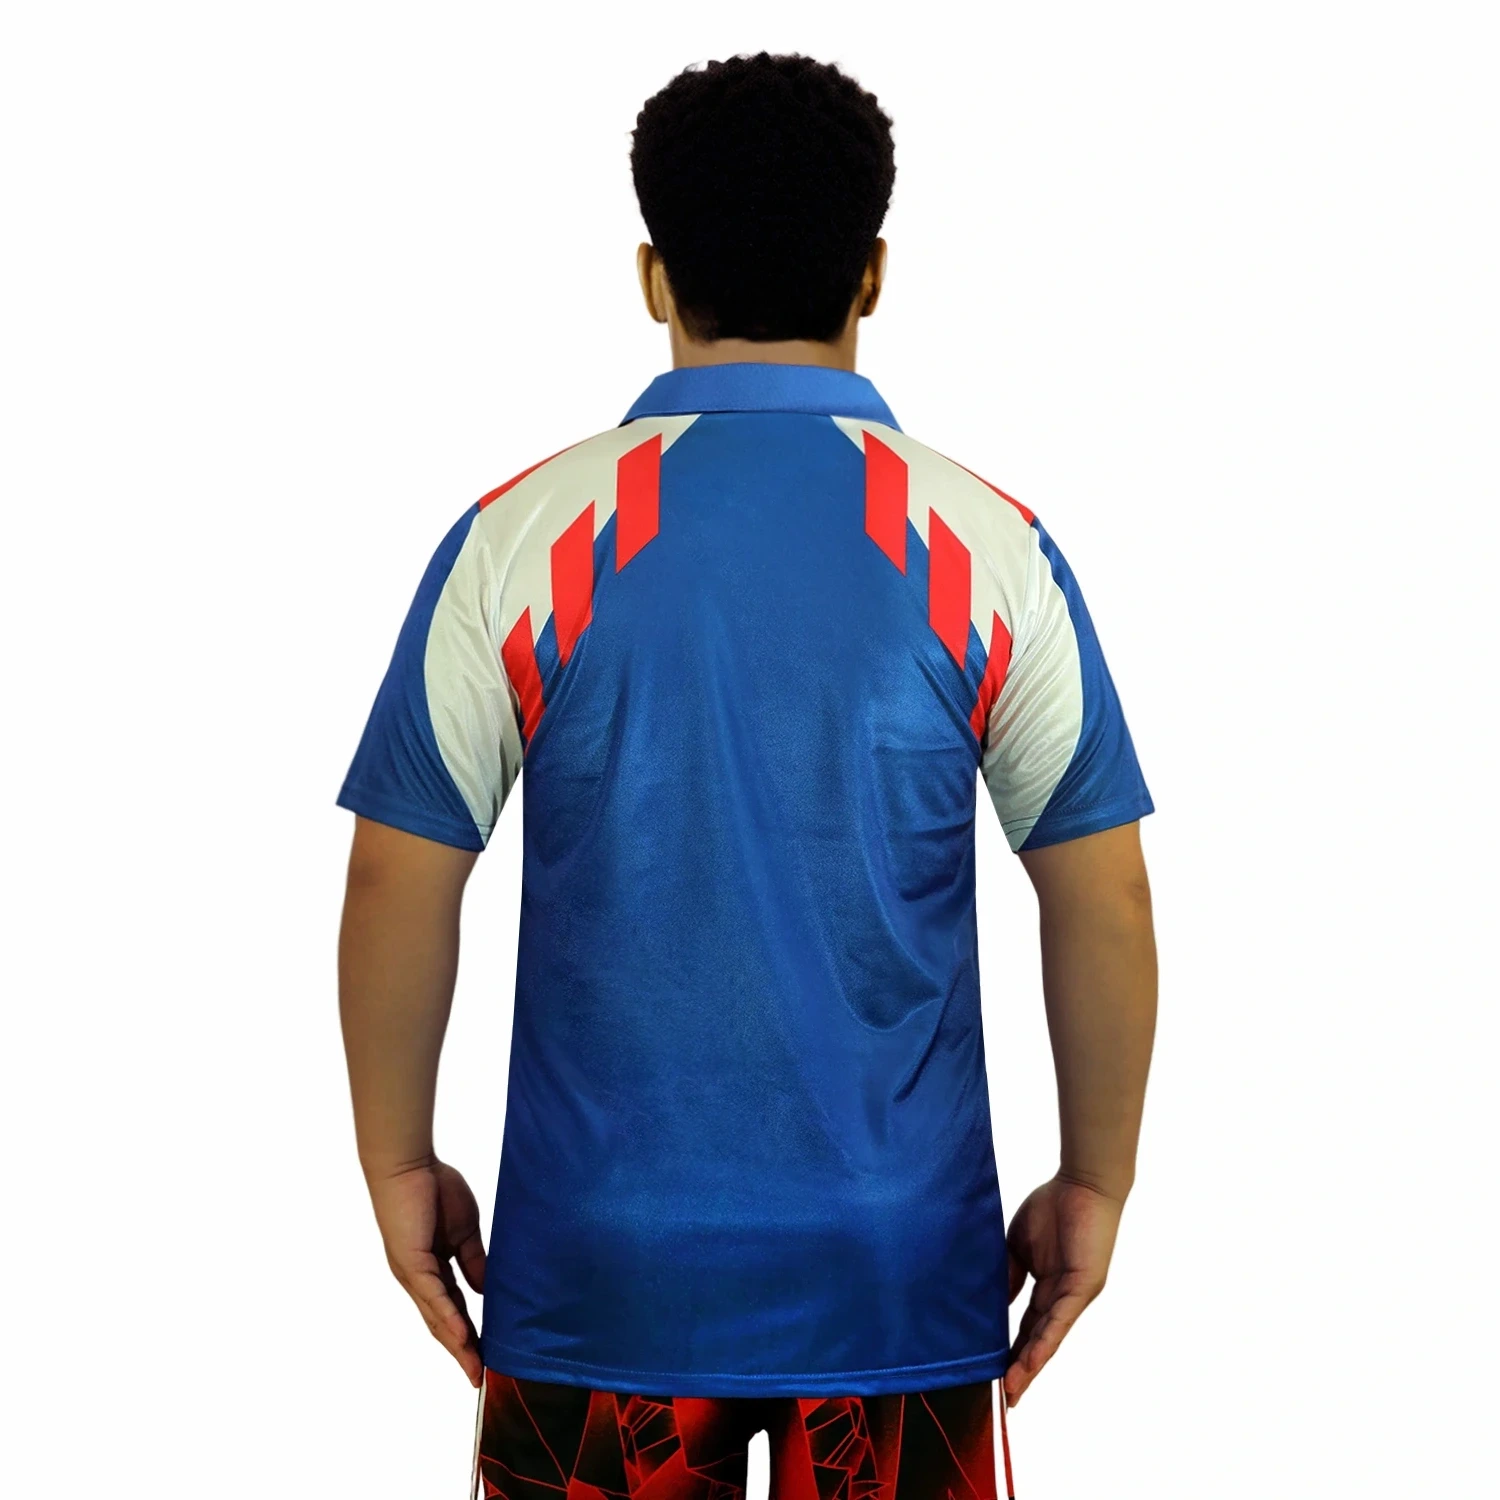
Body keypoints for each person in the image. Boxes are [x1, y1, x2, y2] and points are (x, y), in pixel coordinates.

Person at [337, 52, 1157, 1500]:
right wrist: (1095, 1179)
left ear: (653, 276)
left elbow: (398, 875)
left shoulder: (519, 539)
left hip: (603, 1280)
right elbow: (1103, 897)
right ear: (874, 273)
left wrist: (399, 1164)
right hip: (897, 1274)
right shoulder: (989, 547)